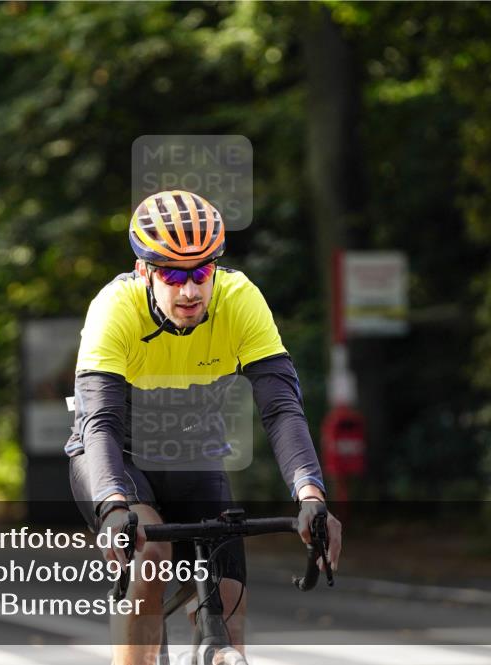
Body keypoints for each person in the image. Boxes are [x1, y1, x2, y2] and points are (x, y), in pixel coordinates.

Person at [67, 190, 343, 664]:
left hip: (194, 453)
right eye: (172, 274)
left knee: (230, 610)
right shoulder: (113, 309)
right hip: (119, 457)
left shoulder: (241, 300)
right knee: (148, 557)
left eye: (201, 272)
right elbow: (101, 420)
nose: (190, 290)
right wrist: (113, 507)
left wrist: (311, 496)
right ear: (143, 272)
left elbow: (280, 407)